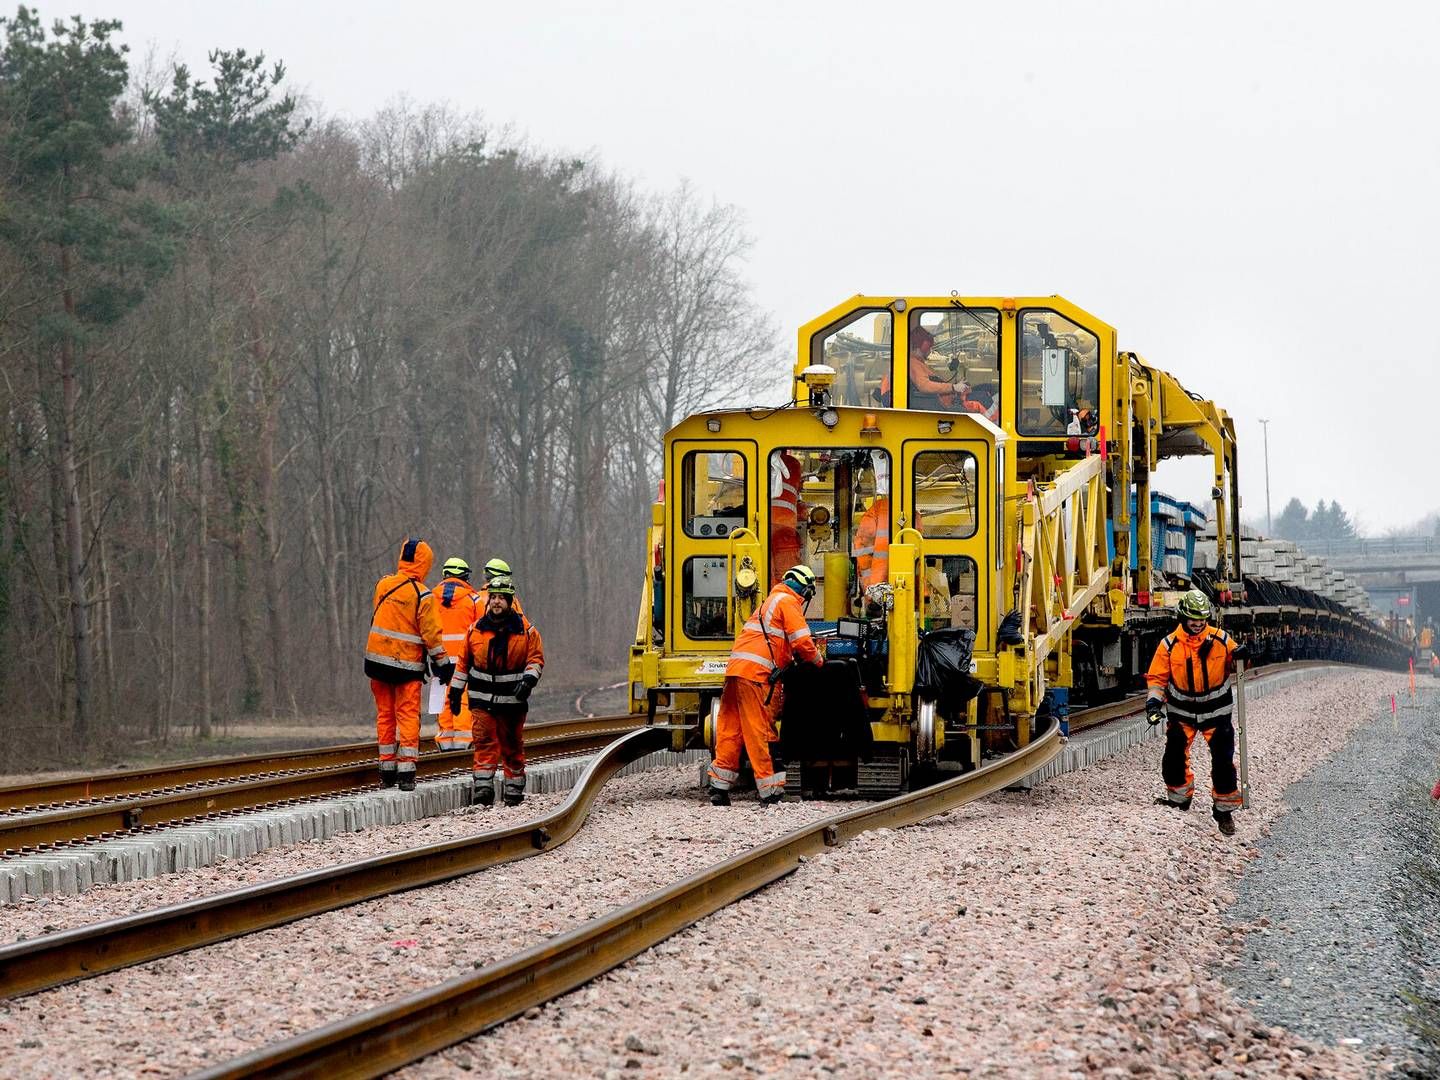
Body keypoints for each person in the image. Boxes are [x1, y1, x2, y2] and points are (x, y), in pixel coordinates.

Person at [707, 564, 824, 806]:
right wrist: (819, 661)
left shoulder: (769, 602)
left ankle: (719, 787)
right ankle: (770, 791)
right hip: (756, 675)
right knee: (758, 730)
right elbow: (802, 641)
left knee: (732, 729)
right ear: (806, 589)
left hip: (735, 671)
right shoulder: (788, 602)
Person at [1145, 589, 1246, 835]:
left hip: (1217, 712)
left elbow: (1238, 662)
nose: (1198, 624)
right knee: (1174, 757)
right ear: (1183, 618)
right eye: (1193, 619)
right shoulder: (1168, 645)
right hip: (1182, 713)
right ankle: (1179, 800)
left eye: (1202, 619)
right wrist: (1153, 704)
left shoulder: (1221, 639)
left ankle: (1223, 811)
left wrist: (1243, 655)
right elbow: (1157, 678)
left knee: (1223, 762)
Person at [449, 575, 544, 807]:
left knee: (511, 744)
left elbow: (536, 660)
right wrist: (454, 691)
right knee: (483, 742)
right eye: (493, 597)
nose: (496, 602)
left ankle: (514, 790)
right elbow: (463, 663)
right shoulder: (475, 630)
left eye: (501, 598)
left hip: (512, 702)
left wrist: (528, 681)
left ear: (510, 602)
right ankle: (483, 789)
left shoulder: (526, 632)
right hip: (481, 701)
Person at [365, 538, 451, 791]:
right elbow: (431, 635)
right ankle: (406, 773)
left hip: (376, 663)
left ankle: (386, 770)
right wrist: (443, 663)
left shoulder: (383, 585)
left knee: (385, 715)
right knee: (407, 715)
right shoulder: (422, 595)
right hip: (407, 668)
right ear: (425, 564)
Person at [433, 556, 483, 750]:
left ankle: (445, 741)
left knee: (444, 698)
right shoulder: (473, 600)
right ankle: (464, 740)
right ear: (465, 576)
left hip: (439, 659)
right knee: (462, 697)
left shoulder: (430, 598)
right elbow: (481, 632)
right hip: (465, 660)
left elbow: (426, 629)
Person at [769, 451, 804, 587]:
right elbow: (797, 490)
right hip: (785, 528)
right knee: (787, 575)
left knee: (765, 568)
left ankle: (767, 602)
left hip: (761, 525)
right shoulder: (793, 464)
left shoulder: (760, 456)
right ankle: (781, 602)